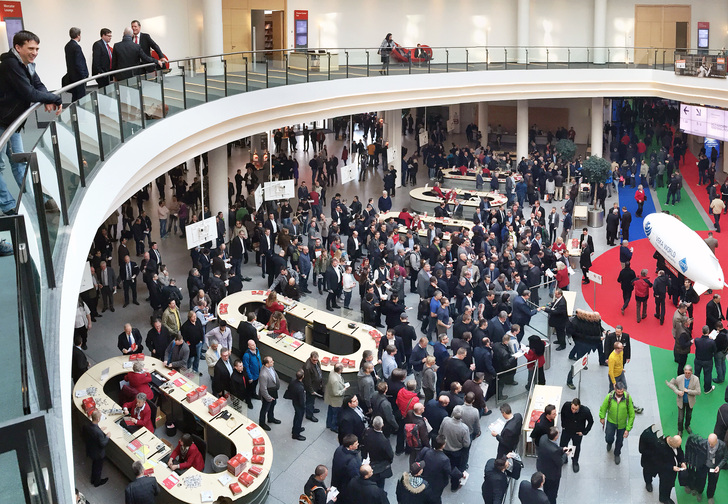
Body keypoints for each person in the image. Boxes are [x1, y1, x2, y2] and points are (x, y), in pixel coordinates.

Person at [0, 30, 63, 216]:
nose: (35, 52)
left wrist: (49, 98)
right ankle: (7, 205)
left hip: (13, 122)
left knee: (19, 162)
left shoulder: (27, 64)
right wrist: (55, 98)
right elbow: (29, 93)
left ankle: (36, 200)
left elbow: (38, 85)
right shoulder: (11, 65)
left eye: (37, 48)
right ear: (18, 48)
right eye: (31, 48)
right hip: (3, 121)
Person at [639, 427, 685, 504]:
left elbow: (680, 452)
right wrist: (672, 467)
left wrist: (682, 461)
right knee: (648, 472)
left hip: (667, 471)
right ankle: (648, 482)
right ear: (672, 445)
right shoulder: (660, 447)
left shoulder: (675, 442)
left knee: (666, 483)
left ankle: (664, 498)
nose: (678, 447)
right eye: (677, 446)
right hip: (654, 464)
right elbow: (659, 463)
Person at [416, 434, 463, 502]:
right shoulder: (444, 459)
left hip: (423, 479)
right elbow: (449, 470)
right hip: (436, 484)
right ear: (443, 445)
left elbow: (417, 461)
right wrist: (460, 474)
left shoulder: (425, 450)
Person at [598, 382, 636, 465]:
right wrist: (602, 417)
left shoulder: (627, 398)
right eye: (618, 392)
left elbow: (632, 414)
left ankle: (617, 454)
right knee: (609, 437)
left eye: (622, 392)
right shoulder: (609, 397)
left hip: (622, 425)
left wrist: (628, 429)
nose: (620, 394)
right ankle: (609, 442)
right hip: (611, 422)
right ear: (615, 390)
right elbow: (603, 407)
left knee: (620, 441)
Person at [686, 433, 727, 504]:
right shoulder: (703, 443)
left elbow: (725, 457)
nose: (710, 445)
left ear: (716, 441)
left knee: (713, 483)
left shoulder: (722, 445)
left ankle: (710, 496)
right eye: (709, 443)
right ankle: (699, 492)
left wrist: (719, 466)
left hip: (715, 468)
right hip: (703, 466)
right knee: (700, 480)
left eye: (712, 444)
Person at [559, 398, 593, 473]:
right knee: (563, 444)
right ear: (571, 404)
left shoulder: (585, 411)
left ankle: (574, 461)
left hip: (577, 433)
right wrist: (563, 425)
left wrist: (584, 432)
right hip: (567, 430)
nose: (573, 411)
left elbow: (591, 421)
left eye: (576, 409)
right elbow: (562, 414)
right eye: (572, 408)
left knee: (576, 447)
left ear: (579, 407)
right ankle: (564, 457)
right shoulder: (566, 406)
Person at [666, 365, 701, 436]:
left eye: (689, 373)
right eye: (686, 373)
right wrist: (677, 391)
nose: (687, 375)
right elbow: (670, 383)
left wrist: (688, 391)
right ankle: (680, 430)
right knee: (680, 417)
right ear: (684, 372)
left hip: (690, 402)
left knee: (689, 415)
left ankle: (687, 426)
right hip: (681, 402)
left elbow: (698, 392)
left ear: (692, 372)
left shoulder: (696, 379)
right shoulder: (679, 378)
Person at [536, 427, 568, 504]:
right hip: (552, 474)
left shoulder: (543, 438)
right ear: (556, 437)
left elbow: (552, 449)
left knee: (546, 488)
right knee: (552, 493)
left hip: (542, 468)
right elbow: (560, 462)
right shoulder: (554, 451)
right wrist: (565, 454)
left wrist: (561, 449)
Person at [360, 416, 394, 488]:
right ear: (382, 425)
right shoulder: (384, 441)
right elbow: (390, 454)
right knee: (380, 482)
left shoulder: (367, 431)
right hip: (379, 463)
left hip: (368, 457)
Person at [83, 410, 110, 487]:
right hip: (98, 454)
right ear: (98, 419)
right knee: (98, 468)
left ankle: (93, 479)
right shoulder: (98, 432)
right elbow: (103, 443)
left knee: (94, 466)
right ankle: (97, 482)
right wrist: (107, 436)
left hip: (92, 450)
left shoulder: (89, 426)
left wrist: (100, 430)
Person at [63, 27, 88, 101]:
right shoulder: (76, 47)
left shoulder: (67, 45)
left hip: (72, 76)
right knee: (81, 98)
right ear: (78, 35)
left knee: (75, 96)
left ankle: (74, 112)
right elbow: (79, 63)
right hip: (79, 77)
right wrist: (84, 75)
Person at [258, 356, 281, 431]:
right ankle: (262, 423)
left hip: (273, 391)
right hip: (268, 393)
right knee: (265, 408)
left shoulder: (271, 367)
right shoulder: (263, 375)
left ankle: (271, 418)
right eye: (271, 361)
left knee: (273, 405)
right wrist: (268, 398)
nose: (273, 362)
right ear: (266, 364)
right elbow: (263, 389)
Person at [694, 325, 717, 394]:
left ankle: (695, 388)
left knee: (696, 374)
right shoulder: (711, 342)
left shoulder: (697, 340)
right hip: (708, 360)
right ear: (708, 331)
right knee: (707, 374)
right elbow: (714, 350)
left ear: (702, 331)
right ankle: (707, 389)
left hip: (698, 360)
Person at [285, 369, 307, 441]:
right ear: (302, 377)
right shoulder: (300, 388)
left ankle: (295, 429)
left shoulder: (293, 381)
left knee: (296, 416)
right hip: (299, 404)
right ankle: (296, 434)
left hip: (294, 401)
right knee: (299, 418)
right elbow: (301, 400)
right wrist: (304, 406)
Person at [324, 363, 347, 432]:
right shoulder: (335, 381)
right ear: (340, 370)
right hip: (336, 400)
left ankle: (329, 424)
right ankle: (333, 427)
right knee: (335, 414)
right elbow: (336, 393)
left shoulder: (332, 372)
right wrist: (344, 389)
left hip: (330, 398)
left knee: (330, 411)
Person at [303, 351, 324, 422]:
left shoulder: (317, 362)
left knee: (312, 400)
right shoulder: (307, 367)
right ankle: (309, 415)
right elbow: (307, 381)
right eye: (314, 360)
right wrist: (311, 390)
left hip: (316, 385)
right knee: (310, 401)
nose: (315, 361)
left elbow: (319, 371)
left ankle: (311, 409)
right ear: (310, 358)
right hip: (311, 387)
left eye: (317, 360)